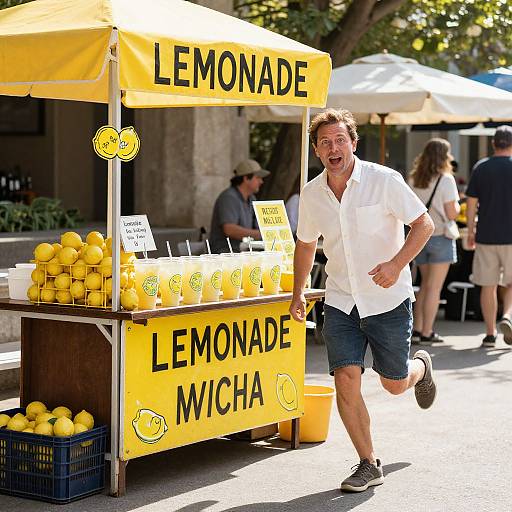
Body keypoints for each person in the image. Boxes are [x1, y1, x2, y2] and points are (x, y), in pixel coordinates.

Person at [289, 109, 436, 493]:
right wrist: (298, 292)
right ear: (316, 150)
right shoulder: (311, 194)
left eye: (340, 140)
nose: (333, 148)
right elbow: (305, 245)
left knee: (393, 383)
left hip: (387, 299)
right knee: (346, 379)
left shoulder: (383, 180)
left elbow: (424, 224)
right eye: (325, 142)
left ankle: (419, 367)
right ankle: (368, 463)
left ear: (354, 143)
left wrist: (396, 263)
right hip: (339, 301)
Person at [409, 138, 460, 345]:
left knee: (424, 285)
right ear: (443, 156)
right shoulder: (446, 180)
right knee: (434, 288)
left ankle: (418, 328)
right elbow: (452, 213)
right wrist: (457, 206)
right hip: (440, 235)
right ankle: (428, 331)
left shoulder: (413, 179)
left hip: (419, 237)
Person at [466, 125, 512, 348]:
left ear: (494, 144)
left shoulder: (481, 168)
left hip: (486, 235)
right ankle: (509, 316)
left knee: (488, 285)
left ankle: (490, 333)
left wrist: (471, 232)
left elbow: (472, 204)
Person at [209, 159, 269, 254]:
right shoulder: (228, 197)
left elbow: (258, 225)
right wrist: (262, 234)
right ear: (246, 178)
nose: (261, 181)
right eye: (258, 177)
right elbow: (229, 229)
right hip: (225, 253)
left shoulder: (251, 198)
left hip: (244, 251)